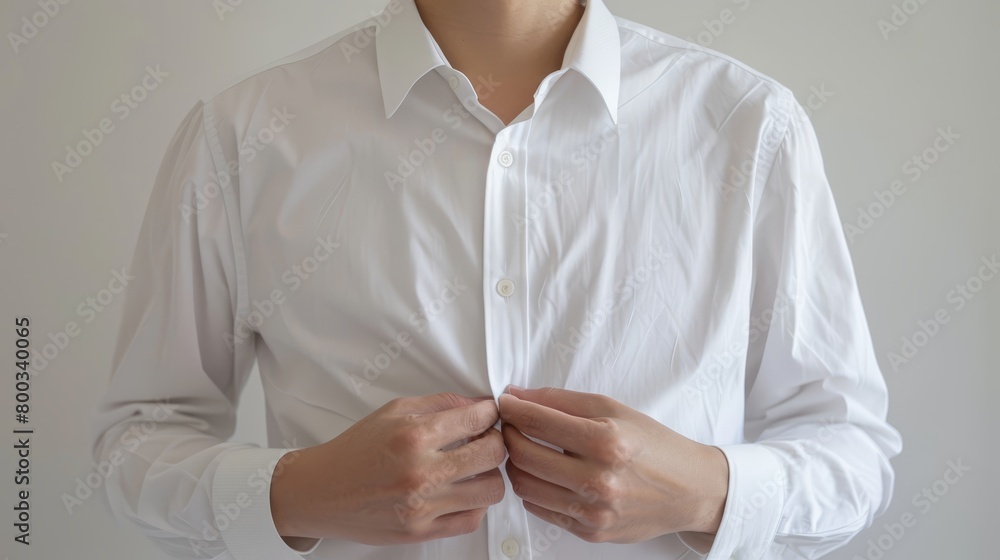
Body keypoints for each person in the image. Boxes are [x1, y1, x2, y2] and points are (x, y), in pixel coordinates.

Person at [90, 0, 902, 558]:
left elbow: (852, 450)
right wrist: (296, 492)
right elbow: (137, 440)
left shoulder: (747, 128)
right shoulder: (244, 139)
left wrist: (708, 493)